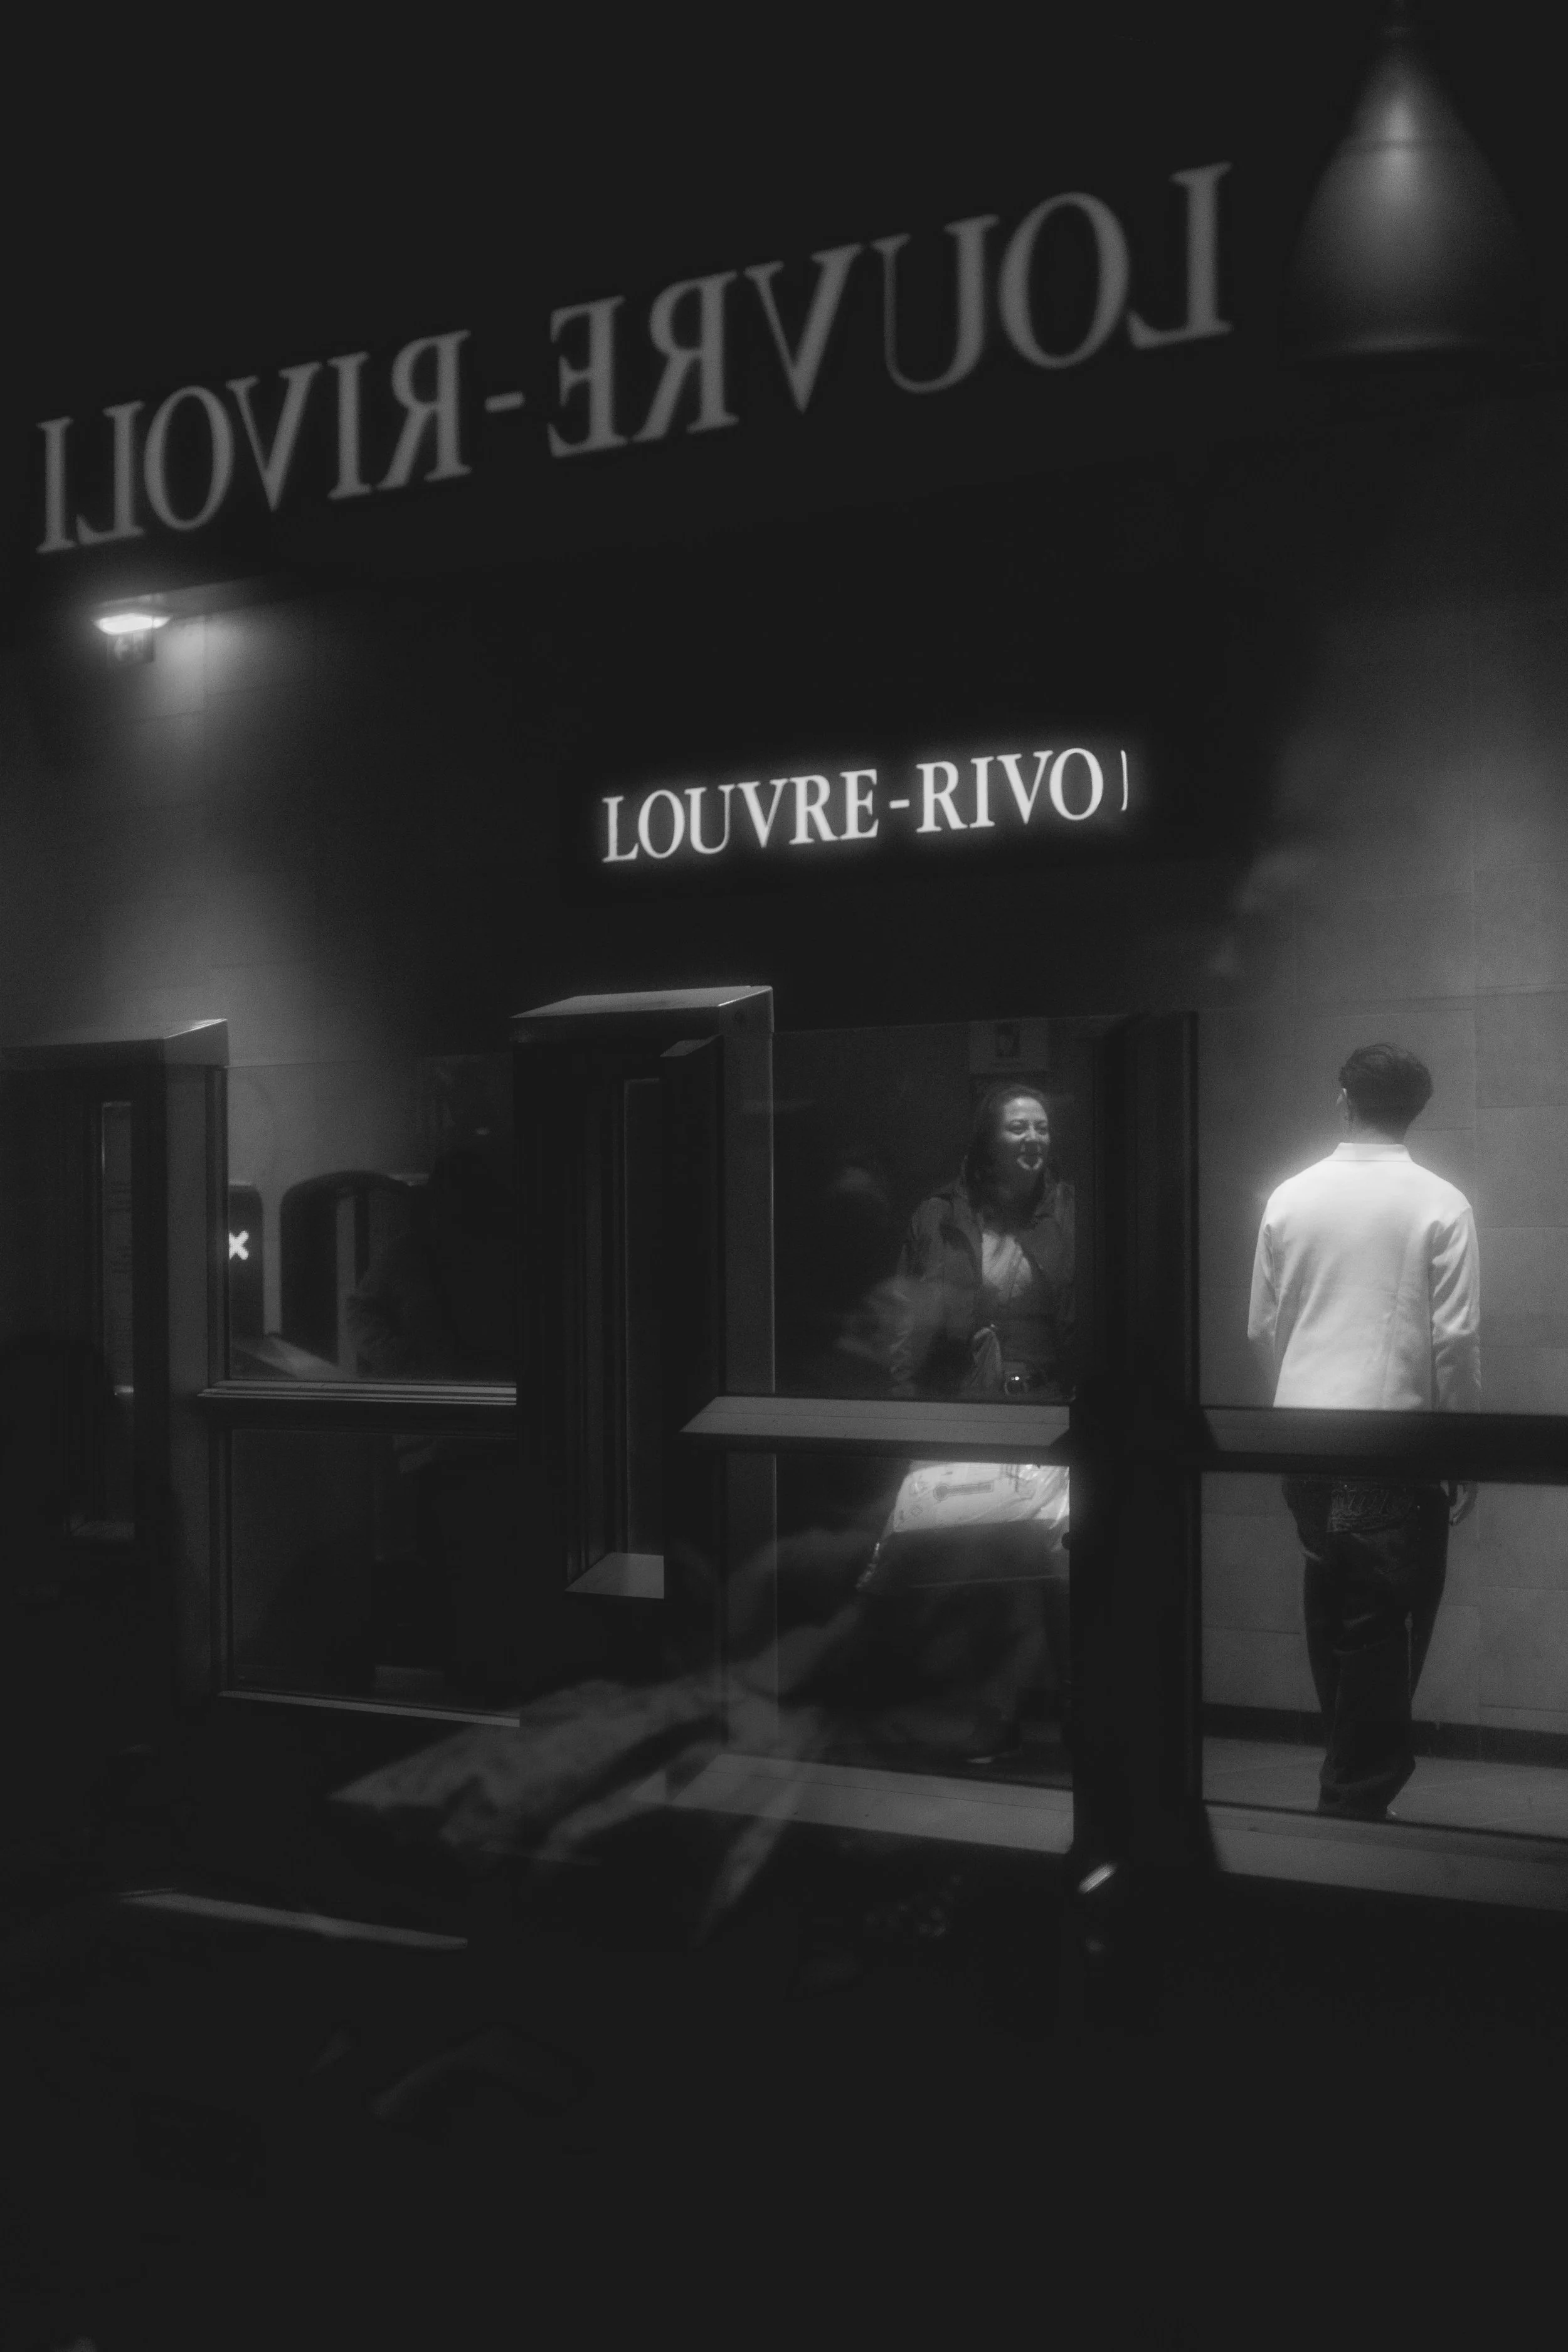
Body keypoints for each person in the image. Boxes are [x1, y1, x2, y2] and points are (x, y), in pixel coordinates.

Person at [1248, 1042, 1480, 1822]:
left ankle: (1347, 1769)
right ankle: (1355, 1792)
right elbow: (1454, 1341)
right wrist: (1462, 1445)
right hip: (1393, 1444)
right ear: (1415, 1109)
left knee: (1329, 1594)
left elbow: (1262, 1330)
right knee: (1385, 1618)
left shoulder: (1288, 1197)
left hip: (1305, 1438)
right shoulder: (1440, 1203)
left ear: (1343, 1098)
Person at [869, 1084, 1076, 1764]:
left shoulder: (1068, 1212)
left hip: (1049, 1412)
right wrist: (906, 1422)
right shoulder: (940, 1216)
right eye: (1018, 1127)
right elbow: (906, 1324)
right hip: (964, 1411)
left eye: (1041, 1128)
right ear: (990, 1138)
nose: (1033, 1140)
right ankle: (986, 1723)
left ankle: (1086, 1727)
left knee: (1060, 1572)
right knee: (978, 1571)